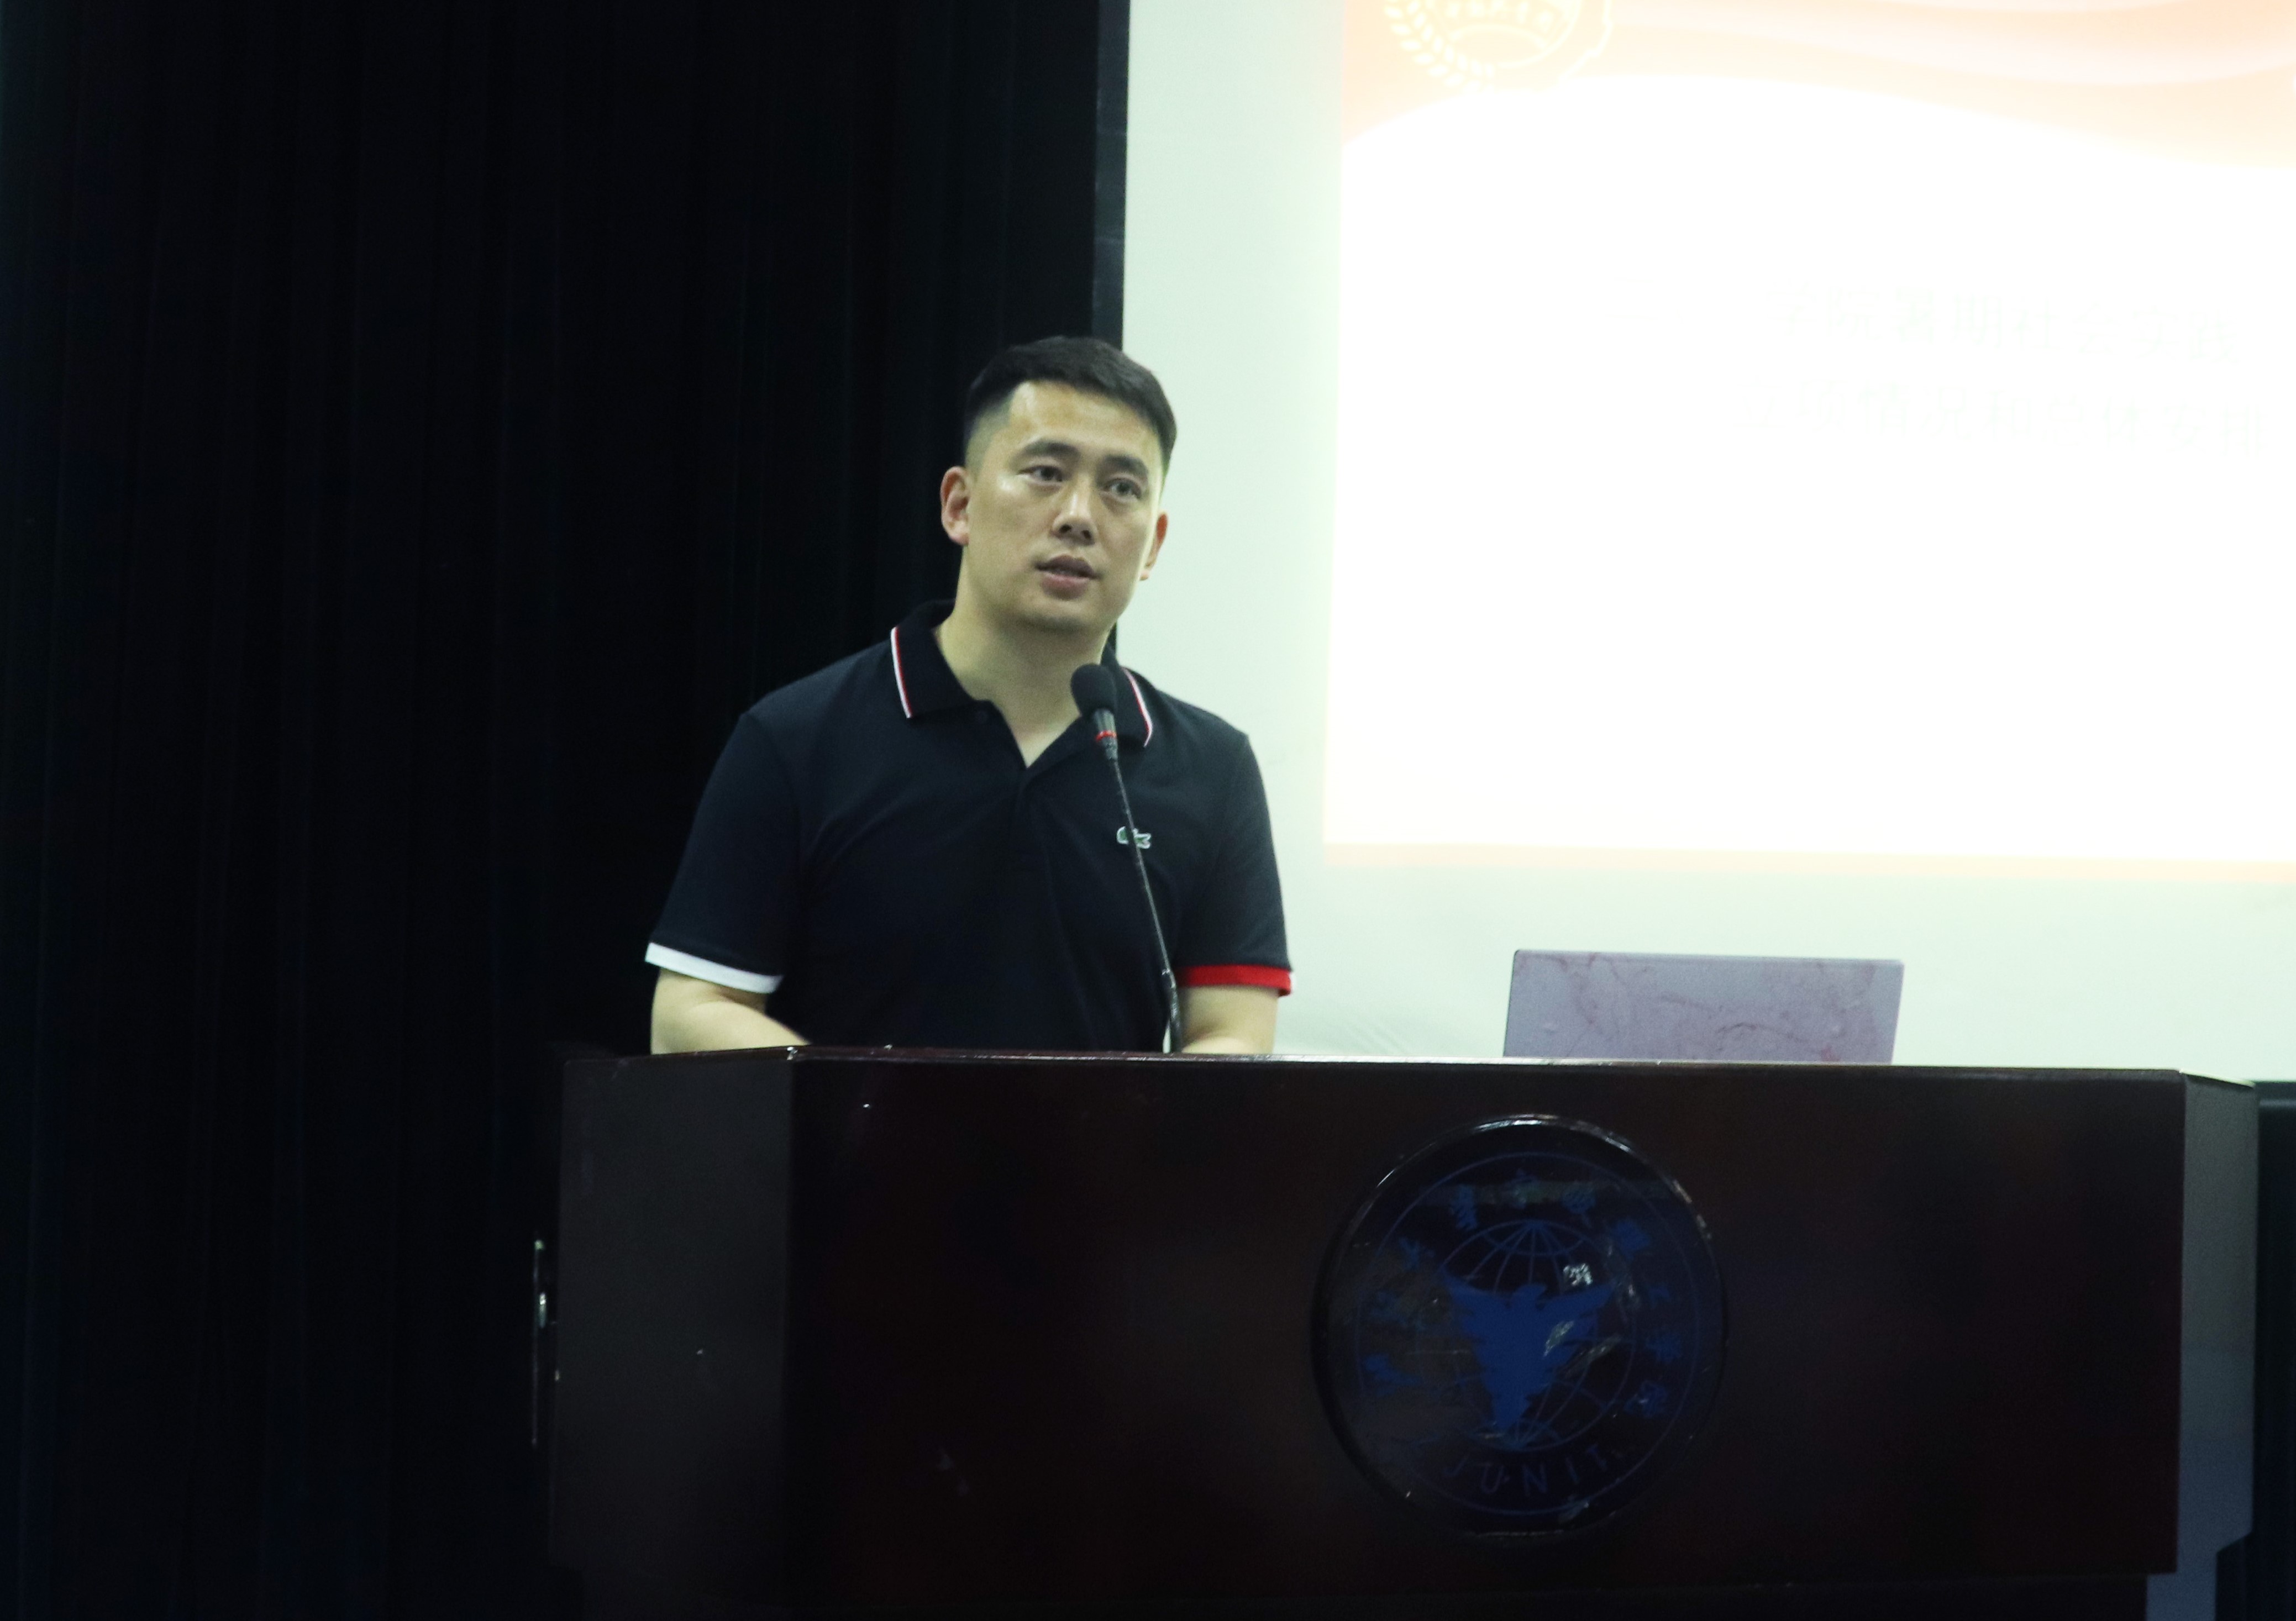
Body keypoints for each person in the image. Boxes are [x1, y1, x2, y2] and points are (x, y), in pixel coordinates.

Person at [644, 336, 1290, 1054]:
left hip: (1105, 1138)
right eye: (1046, 473)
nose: (1080, 515)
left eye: (1122, 488)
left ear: (1154, 545)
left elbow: (1233, 1032)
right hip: (857, 1133)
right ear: (960, 505)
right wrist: (864, 1108)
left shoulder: (1212, 769)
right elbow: (691, 1010)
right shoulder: (796, 739)